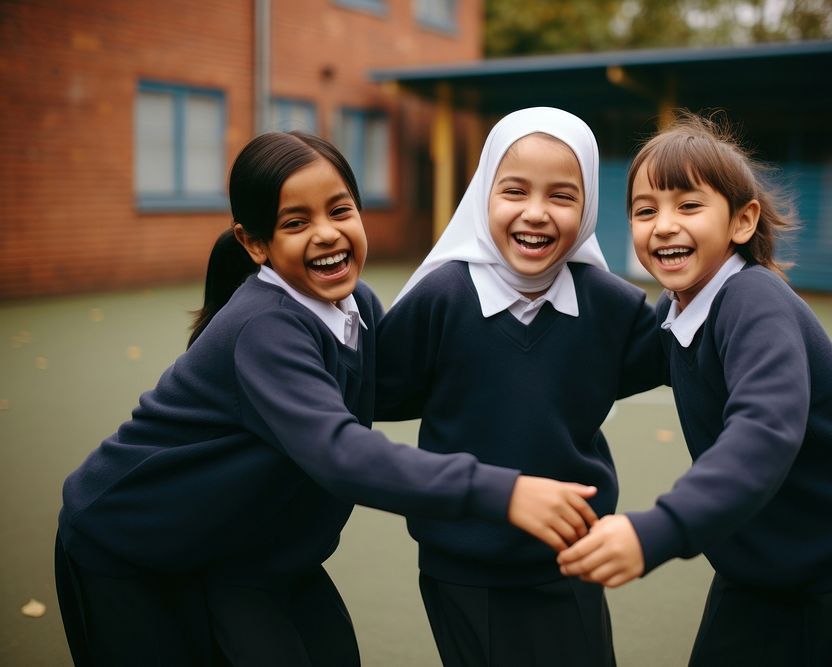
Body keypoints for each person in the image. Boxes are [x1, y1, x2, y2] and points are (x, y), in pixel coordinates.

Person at [54, 131, 601, 667]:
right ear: (254, 243)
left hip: (247, 551)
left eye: (340, 211)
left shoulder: (356, 304)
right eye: (296, 223)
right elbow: (340, 452)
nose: (326, 234)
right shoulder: (265, 327)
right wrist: (503, 492)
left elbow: (410, 383)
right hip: (129, 546)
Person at [558, 112, 832, 666]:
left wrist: (659, 528)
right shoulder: (677, 313)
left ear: (743, 221)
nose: (664, 224)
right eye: (645, 210)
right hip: (756, 565)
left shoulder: (753, 300)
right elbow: (596, 368)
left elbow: (765, 431)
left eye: (689, 205)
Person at [375, 107, 665, 666]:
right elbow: (373, 391)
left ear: (587, 208)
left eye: (562, 195)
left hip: (574, 560)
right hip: (462, 567)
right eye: (514, 191)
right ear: (484, 193)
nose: (536, 213)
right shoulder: (440, 299)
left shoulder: (613, 305)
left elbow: (684, 354)